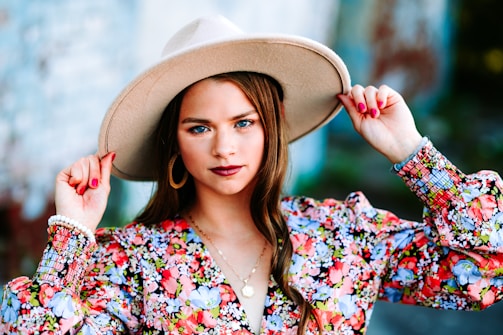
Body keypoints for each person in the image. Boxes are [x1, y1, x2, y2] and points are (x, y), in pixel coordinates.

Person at [1, 15, 502, 335]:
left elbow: (486, 270)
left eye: (244, 123)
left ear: (273, 124)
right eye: (199, 128)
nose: (225, 147)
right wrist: (74, 234)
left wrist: (412, 152)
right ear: (173, 140)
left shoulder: (347, 235)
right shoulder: (129, 260)